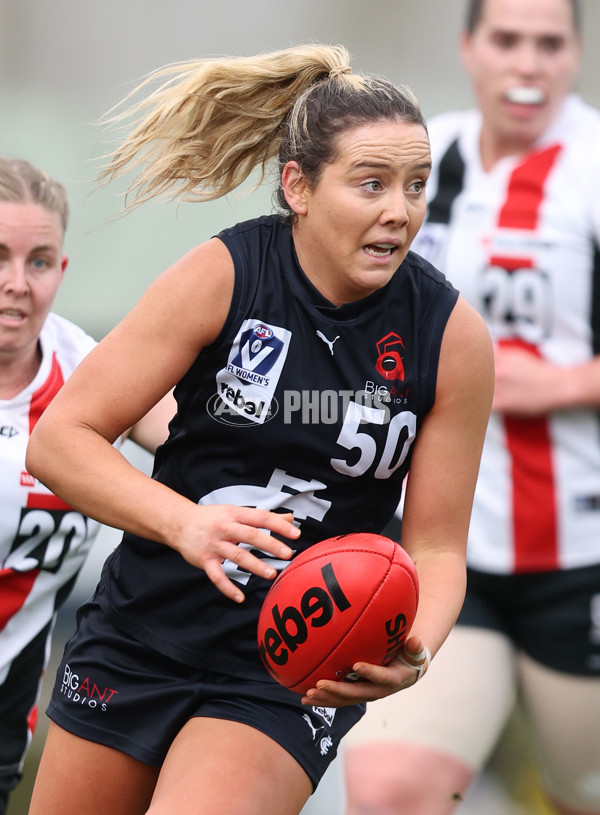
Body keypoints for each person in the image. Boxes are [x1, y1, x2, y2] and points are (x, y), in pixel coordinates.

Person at [24, 44, 493, 815]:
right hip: (142, 632)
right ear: (298, 187)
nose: (399, 210)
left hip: (291, 670)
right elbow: (61, 439)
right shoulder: (225, 274)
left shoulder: (450, 338)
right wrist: (187, 524)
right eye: (371, 184)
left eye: (416, 186)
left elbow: (437, 545)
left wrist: (418, 649)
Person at [343, 1, 600, 814]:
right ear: (468, 48)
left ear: (576, 54)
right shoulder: (421, 157)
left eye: (549, 43)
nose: (528, 64)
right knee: (387, 789)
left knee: (579, 791)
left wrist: (552, 384)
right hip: (443, 550)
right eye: (507, 40)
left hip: (582, 550)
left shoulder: (592, 167)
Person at [0, 156, 175, 814]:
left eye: (39, 261)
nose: (17, 284)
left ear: (61, 271)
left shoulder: (92, 371)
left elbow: (210, 446)